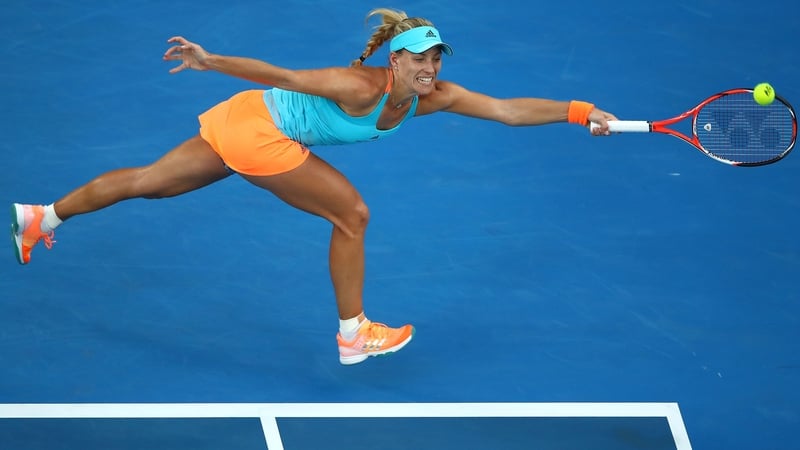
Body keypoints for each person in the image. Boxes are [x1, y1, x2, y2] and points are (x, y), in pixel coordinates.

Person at [10, 8, 617, 365]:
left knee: (152, 184)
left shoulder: (437, 99)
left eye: (439, 59)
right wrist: (210, 60)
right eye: (421, 60)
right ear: (396, 61)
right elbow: (285, 74)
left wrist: (578, 109)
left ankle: (42, 216)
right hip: (260, 128)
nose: (432, 69)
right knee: (351, 214)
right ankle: (353, 333)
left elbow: (509, 110)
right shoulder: (357, 87)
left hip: (247, 117)